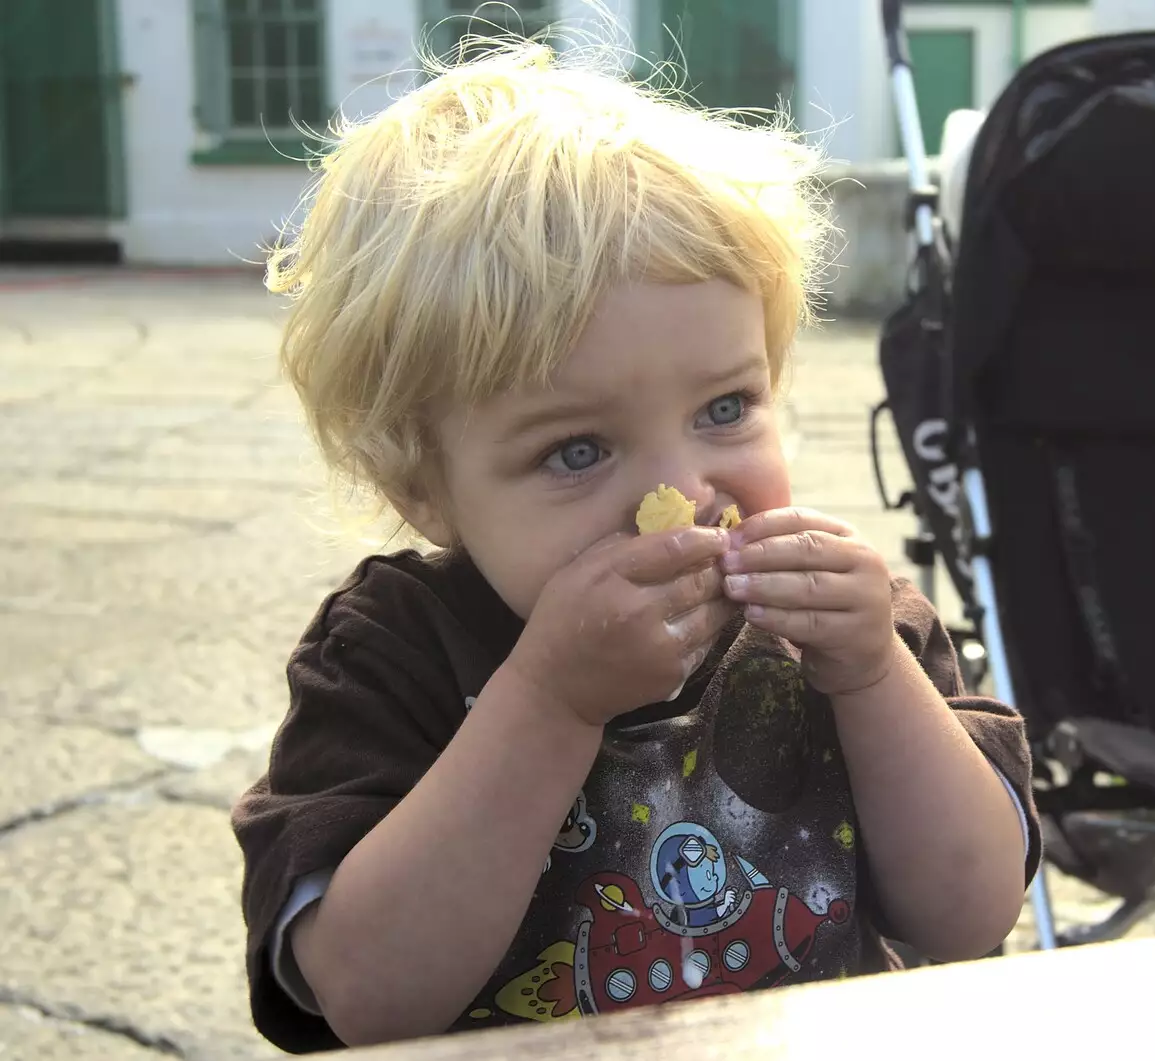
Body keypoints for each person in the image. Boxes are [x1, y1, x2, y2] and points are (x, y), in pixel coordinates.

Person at [231, 31, 1040, 1054]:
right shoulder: (393, 651)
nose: (681, 494)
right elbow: (367, 995)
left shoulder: (850, 624)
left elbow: (966, 915)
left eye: (725, 407)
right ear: (422, 486)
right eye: (576, 448)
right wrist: (550, 698)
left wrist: (877, 672)